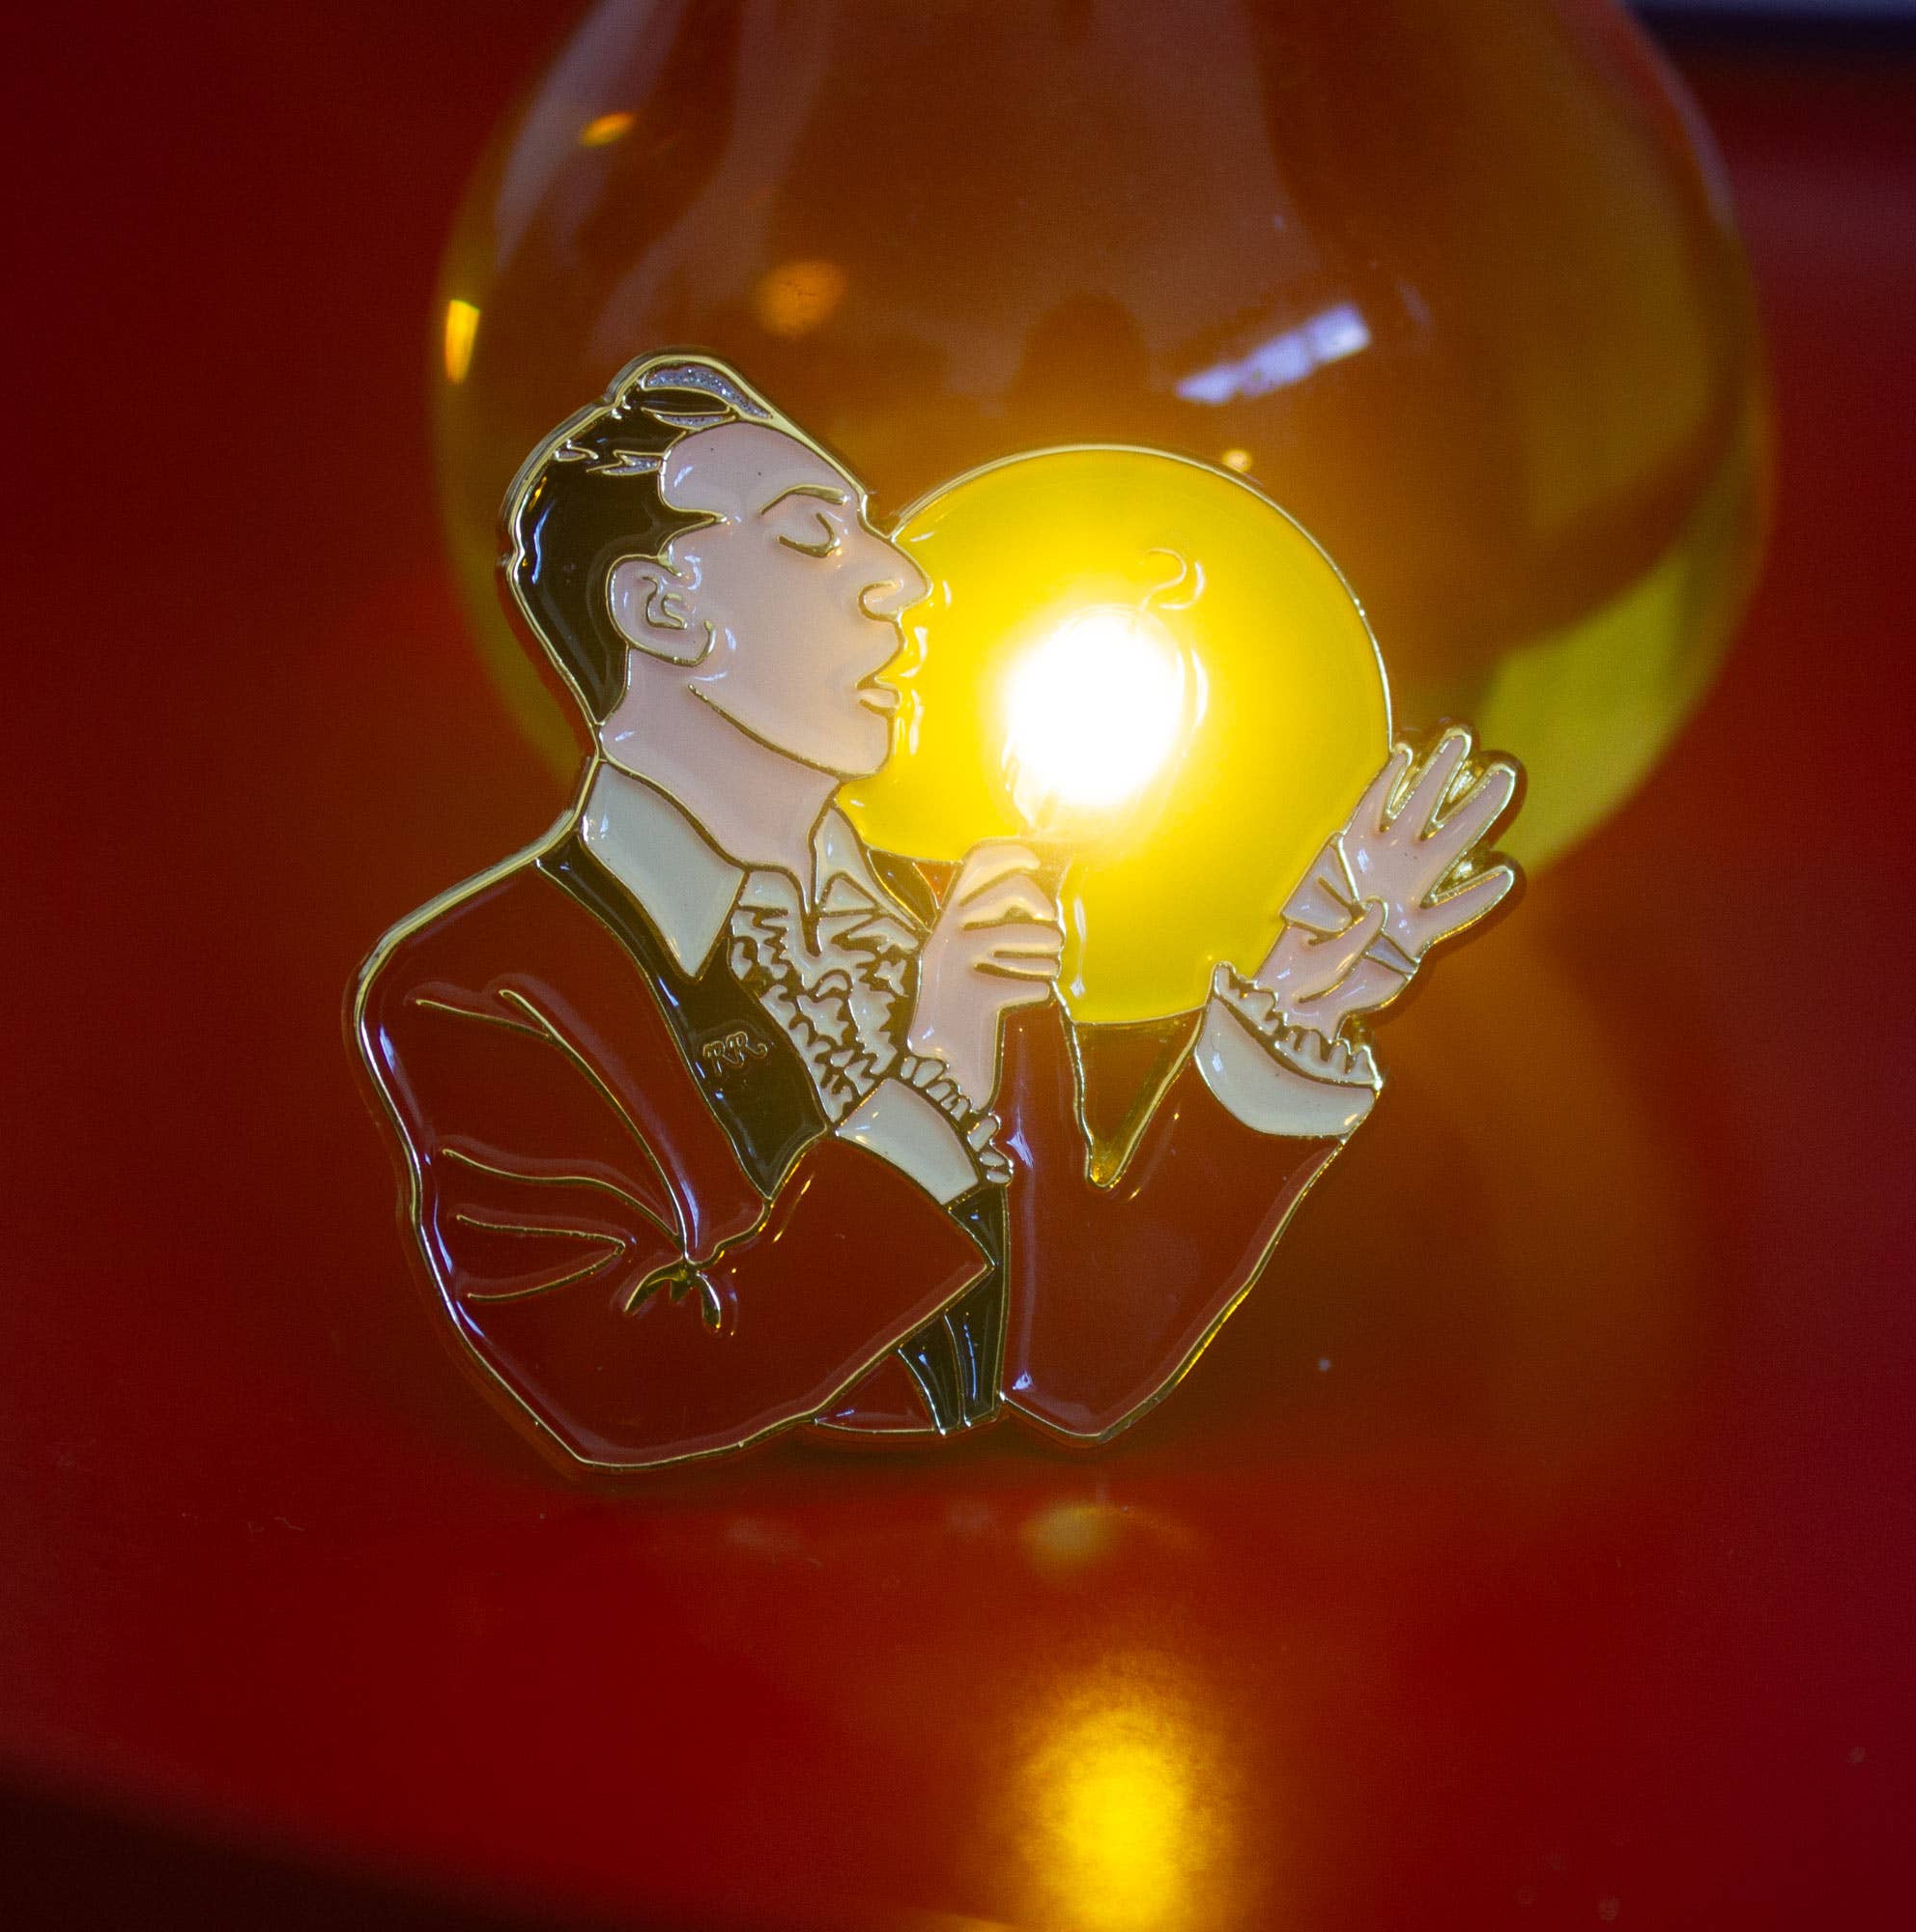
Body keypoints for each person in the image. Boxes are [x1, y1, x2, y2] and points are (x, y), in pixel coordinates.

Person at [353, 354, 1519, 1471]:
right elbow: (621, 1386)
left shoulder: (950, 916)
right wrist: (939, 1064)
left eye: (866, 528)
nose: (901, 579)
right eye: (811, 536)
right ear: (660, 610)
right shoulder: (479, 985)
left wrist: (1292, 1008)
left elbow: (1074, 1366)